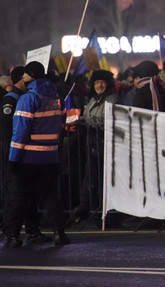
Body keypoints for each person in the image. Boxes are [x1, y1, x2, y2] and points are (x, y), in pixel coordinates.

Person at [4, 61, 69, 247]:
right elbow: (62, 122)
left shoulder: (28, 99)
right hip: (50, 156)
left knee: (18, 197)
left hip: (28, 157)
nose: (23, 77)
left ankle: (12, 237)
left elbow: (20, 132)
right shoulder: (56, 97)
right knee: (50, 197)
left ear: (30, 76)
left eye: (25, 74)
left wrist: (13, 159)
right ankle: (59, 233)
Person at [1, 66, 49, 243]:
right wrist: (14, 153)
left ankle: (32, 230)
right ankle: (11, 233)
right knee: (16, 195)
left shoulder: (27, 97)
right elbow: (9, 131)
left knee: (30, 194)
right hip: (15, 153)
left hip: (26, 154)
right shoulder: (11, 99)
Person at [73, 69, 120, 222]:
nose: (99, 85)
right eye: (96, 82)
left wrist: (87, 121)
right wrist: (79, 120)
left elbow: (106, 118)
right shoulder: (93, 100)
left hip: (105, 144)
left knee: (103, 178)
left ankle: (105, 212)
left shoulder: (113, 100)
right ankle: (88, 208)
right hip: (92, 144)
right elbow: (88, 115)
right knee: (90, 176)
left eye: (102, 82)